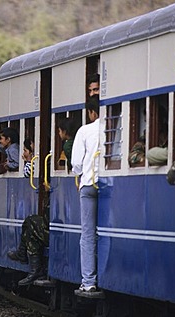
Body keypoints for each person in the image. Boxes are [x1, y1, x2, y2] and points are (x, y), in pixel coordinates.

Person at [71, 96, 102, 295]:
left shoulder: (85, 130)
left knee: (88, 235)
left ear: (92, 112)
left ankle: (89, 281)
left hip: (89, 185)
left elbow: (77, 164)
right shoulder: (116, 125)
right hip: (109, 184)